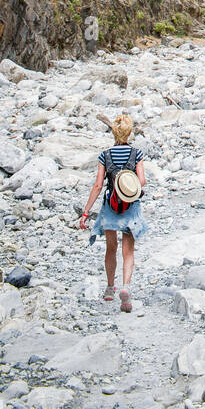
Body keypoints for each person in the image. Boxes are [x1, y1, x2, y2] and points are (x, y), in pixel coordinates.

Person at [80, 113, 147, 312]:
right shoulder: (137, 154)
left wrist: (86, 212)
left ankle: (110, 288)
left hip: (110, 205)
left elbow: (98, 185)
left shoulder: (105, 155)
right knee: (128, 250)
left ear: (114, 132)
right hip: (130, 204)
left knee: (111, 247)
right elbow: (141, 181)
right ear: (129, 132)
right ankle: (125, 287)